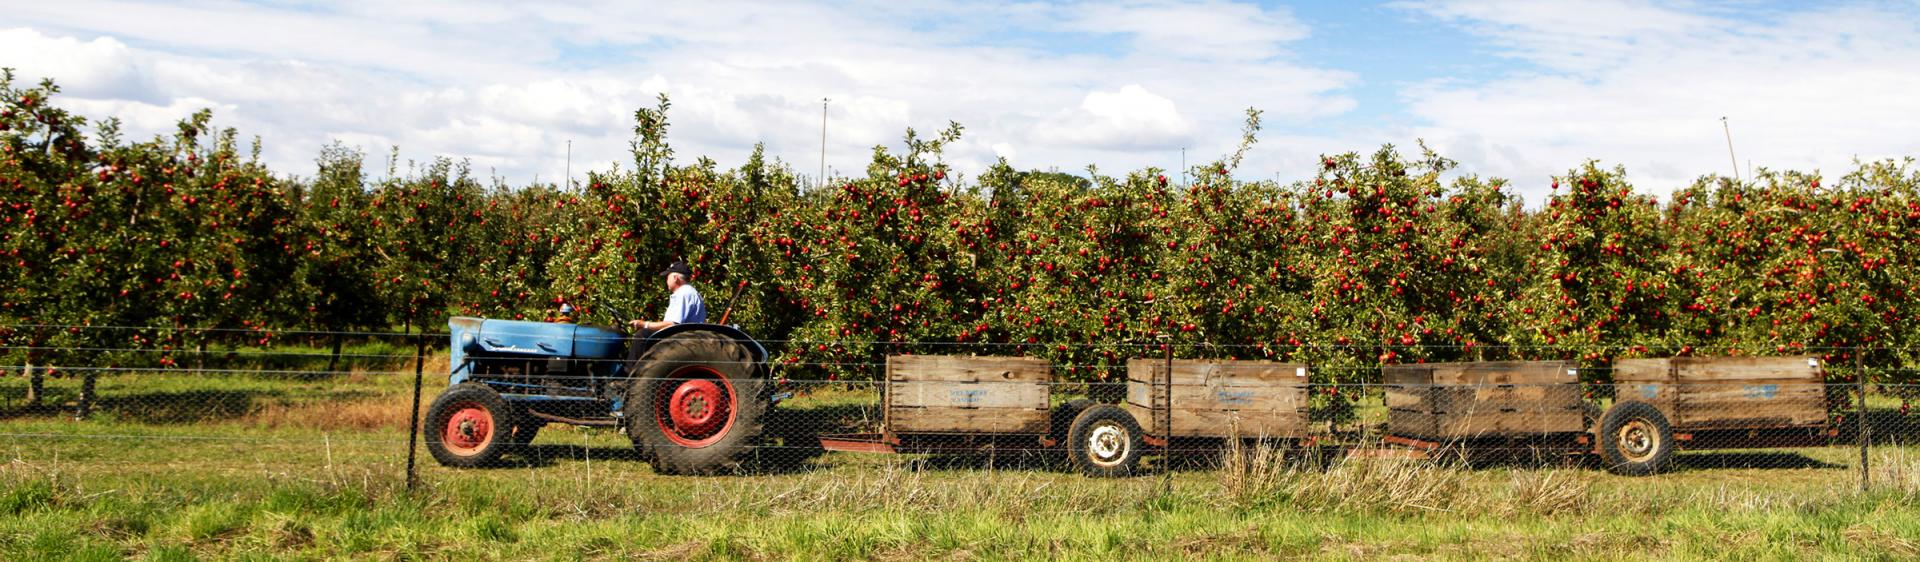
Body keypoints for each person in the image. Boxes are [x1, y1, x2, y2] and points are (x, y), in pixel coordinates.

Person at [629, 261, 706, 335]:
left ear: (675, 278)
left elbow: (672, 325)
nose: (666, 280)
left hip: (681, 338)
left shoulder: (683, 293)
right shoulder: (691, 292)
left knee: (642, 334)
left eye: (667, 277)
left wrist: (644, 324)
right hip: (691, 336)